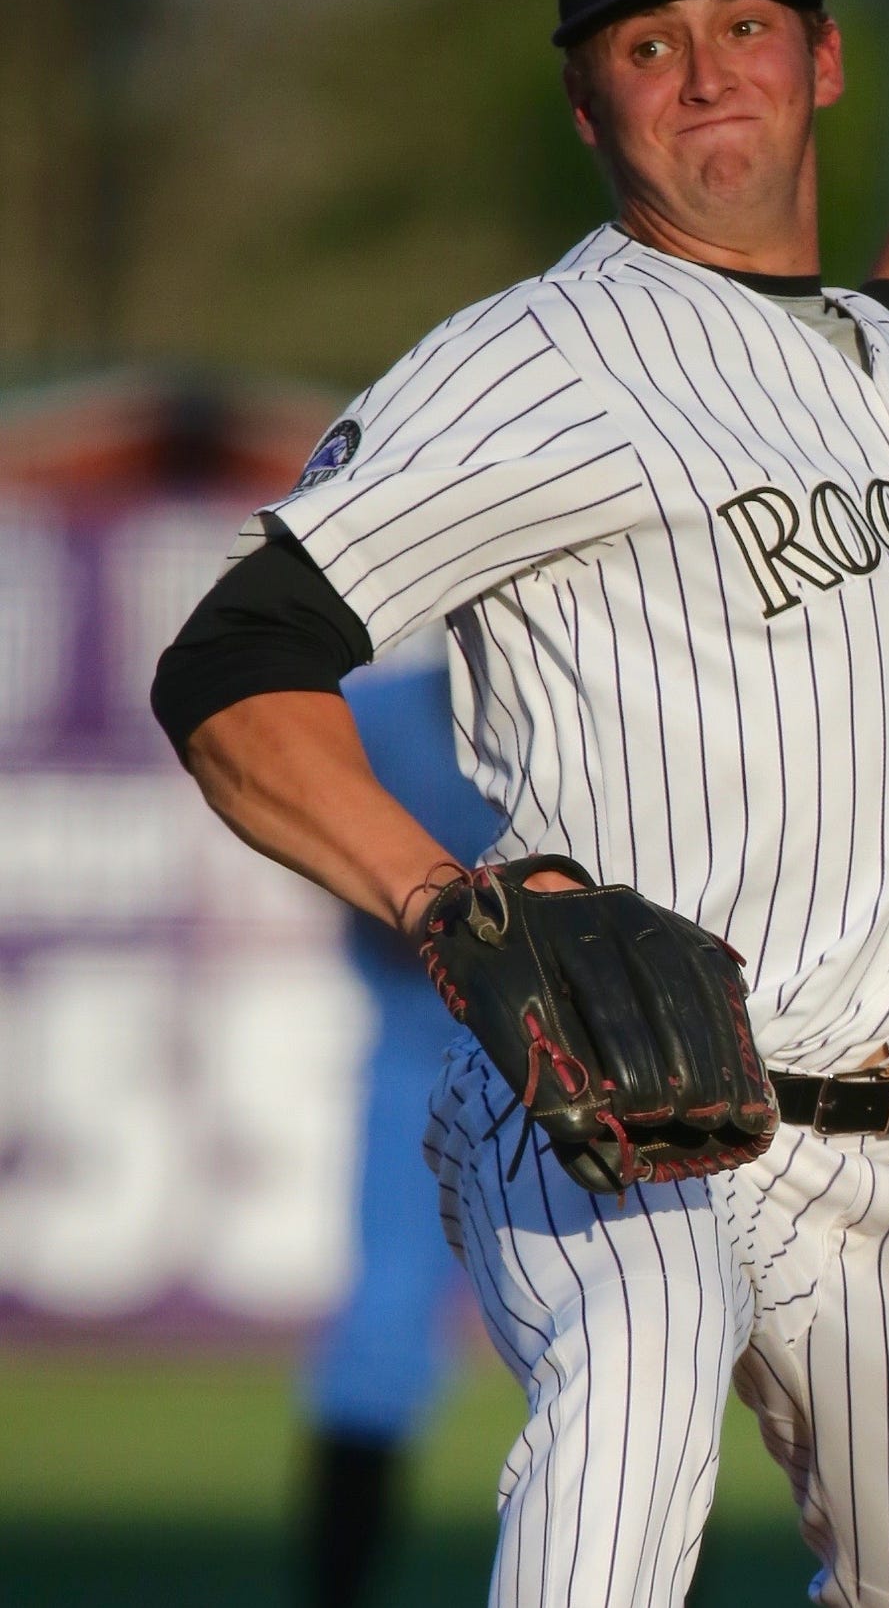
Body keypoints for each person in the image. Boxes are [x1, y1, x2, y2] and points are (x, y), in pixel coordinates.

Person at [153, 0, 889, 1608]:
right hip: (635, 1098)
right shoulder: (533, 365)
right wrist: (437, 900)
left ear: (822, 61)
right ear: (586, 106)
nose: (705, 68)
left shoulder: (869, 359)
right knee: (626, 1415)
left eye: (741, 23)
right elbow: (230, 661)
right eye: (647, 46)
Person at [297, 642, 499, 1608]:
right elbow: (348, 886)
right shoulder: (374, 716)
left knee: (641, 1346)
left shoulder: (609, 693)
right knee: (380, 1339)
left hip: (575, 1067)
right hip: (424, 1052)